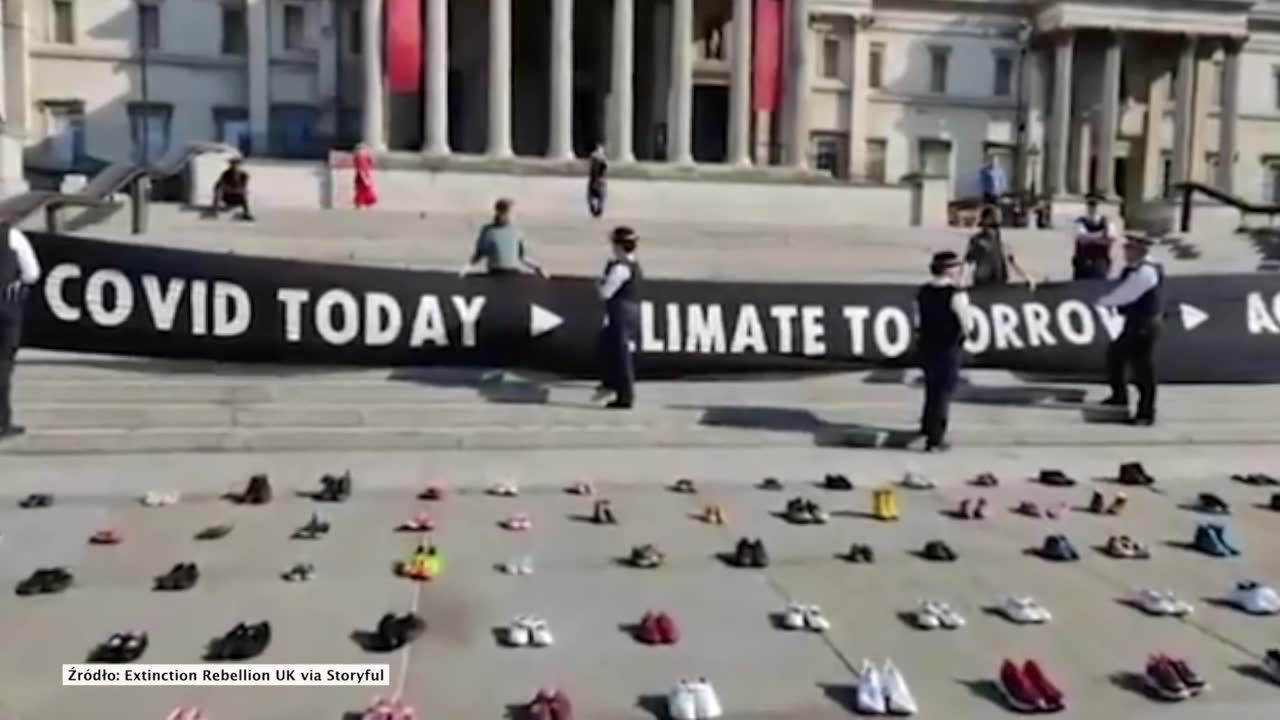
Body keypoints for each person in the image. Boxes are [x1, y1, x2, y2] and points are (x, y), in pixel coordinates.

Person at [1097, 235, 1164, 426]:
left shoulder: (1147, 272)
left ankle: (1146, 412)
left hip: (1144, 325)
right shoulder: (1134, 269)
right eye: (1126, 248)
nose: (1126, 252)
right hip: (1134, 323)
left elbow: (1127, 294)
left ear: (1141, 250)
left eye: (1130, 249)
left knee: (1143, 370)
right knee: (1115, 354)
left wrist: (1102, 302)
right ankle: (1119, 397)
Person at [915, 251, 975, 452]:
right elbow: (967, 323)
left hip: (926, 345)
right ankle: (935, 438)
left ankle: (926, 426)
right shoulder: (956, 294)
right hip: (947, 347)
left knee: (932, 389)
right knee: (944, 392)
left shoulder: (923, 291)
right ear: (949, 270)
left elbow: (917, 320)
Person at [594, 226, 642, 409]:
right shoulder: (632, 264)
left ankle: (625, 396)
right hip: (630, 310)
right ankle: (610, 381)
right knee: (606, 345)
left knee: (620, 355)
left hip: (621, 311)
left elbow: (606, 293)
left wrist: (599, 285)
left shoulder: (620, 268)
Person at [1, 223, 41, 441]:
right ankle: (2, 421)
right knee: (4, 365)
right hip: (6, 307)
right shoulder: (12, 235)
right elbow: (32, 273)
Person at [460, 198, 547, 277]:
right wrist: (466, 268)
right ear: (501, 212)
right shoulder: (488, 230)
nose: (514, 216)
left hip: (513, 273)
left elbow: (522, 257)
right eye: (511, 213)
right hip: (495, 273)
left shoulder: (516, 231)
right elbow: (479, 254)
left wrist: (538, 268)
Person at [965, 206, 1036, 290]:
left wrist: (1026, 276)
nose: (993, 230)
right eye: (991, 225)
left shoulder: (1001, 240)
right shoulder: (976, 240)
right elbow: (968, 261)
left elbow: (1012, 261)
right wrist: (961, 280)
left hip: (1000, 281)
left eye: (996, 226)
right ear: (983, 221)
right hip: (982, 282)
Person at [1072, 194, 1116, 280]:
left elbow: (1110, 239)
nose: (1092, 208)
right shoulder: (1080, 221)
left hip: (1101, 261)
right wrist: (1101, 235)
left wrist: (1089, 237)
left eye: (1095, 205)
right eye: (1090, 204)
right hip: (1083, 261)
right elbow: (1082, 240)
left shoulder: (1107, 221)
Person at [353, 143, 378, 210]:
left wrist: (370, 155)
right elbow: (360, 170)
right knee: (362, 193)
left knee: (363, 193)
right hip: (362, 178)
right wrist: (365, 179)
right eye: (363, 149)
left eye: (365, 149)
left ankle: (360, 206)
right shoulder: (359, 157)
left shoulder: (364, 157)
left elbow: (372, 162)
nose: (365, 151)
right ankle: (360, 207)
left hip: (365, 176)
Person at [587, 145, 608, 218]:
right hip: (600, 180)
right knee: (601, 196)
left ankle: (594, 205)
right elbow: (604, 169)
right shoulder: (603, 158)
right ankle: (599, 207)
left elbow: (592, 168)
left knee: (591, 195)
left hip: (594, 179)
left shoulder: (593, 156)